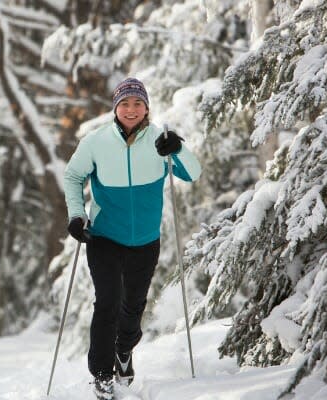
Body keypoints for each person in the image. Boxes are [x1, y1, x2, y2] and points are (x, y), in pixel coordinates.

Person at [63, 77, 201, 399]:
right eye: (124, 103)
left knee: (133, 306)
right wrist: (75, 214)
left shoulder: (159, 141)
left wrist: (178, 148)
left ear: (146, 108)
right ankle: (101, 375)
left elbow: (193, 173)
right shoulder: (96, 142)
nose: (131, 109)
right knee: (107, 303)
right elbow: (73, 175)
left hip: (145, 240)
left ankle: (124, 352)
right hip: (105, 238)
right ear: (115, 108)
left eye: (137, 103)